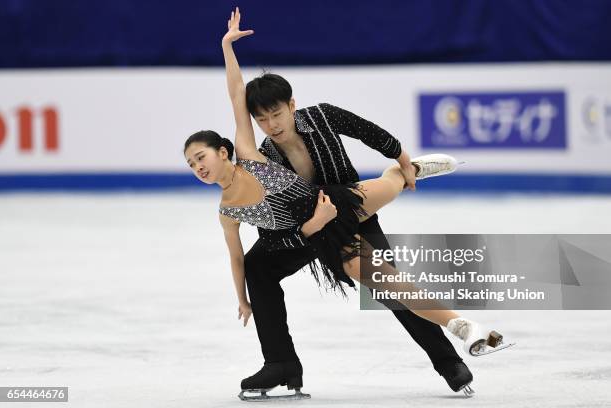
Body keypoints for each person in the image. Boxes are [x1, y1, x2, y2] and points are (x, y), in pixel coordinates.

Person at [185, 8, 510, 401]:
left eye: (276, 113)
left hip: (345, 201)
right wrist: (244, 296)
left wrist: (403, 159)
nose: (271, 123)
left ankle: (450, 360)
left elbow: (361, 130)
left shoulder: (297, 129)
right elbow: (269, 231)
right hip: (313, 226)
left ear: (291, 105)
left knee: (390, 279)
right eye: (263, 118)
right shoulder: (259, 157)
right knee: (260, 265)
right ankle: (281, 364)